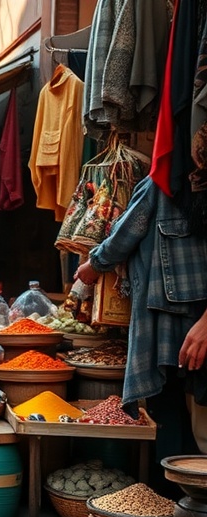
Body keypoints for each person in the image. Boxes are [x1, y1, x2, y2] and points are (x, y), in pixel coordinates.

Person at [74, 176, 207, 474]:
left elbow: (125, 234)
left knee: (171, 410)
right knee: (189, 410)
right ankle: (180, 500)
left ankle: (174, 499)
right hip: (190, 315)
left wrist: (93, 265)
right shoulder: (184, 183)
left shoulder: (159, 183)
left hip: (168, 320)